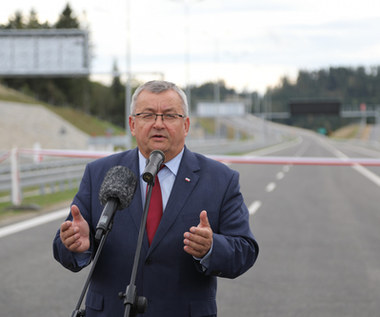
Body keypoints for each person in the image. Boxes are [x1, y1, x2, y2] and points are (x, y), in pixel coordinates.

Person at [53, 80, 259, 317]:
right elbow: (65, 247)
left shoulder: (221, 179)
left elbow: (245, 250)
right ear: (132, 124)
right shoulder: (99, 173)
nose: (158, 124)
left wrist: (211, 248)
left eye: (169, 116)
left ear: (186, 125)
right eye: (148, 115)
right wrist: (75, 245)